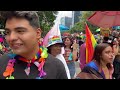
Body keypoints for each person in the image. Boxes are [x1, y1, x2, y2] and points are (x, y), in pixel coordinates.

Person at [0, 11, 67, 79]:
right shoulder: (2, 62)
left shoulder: (56, 67)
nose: (11, 38)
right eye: (7, 32)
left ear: (38, 33)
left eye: (20, 31)